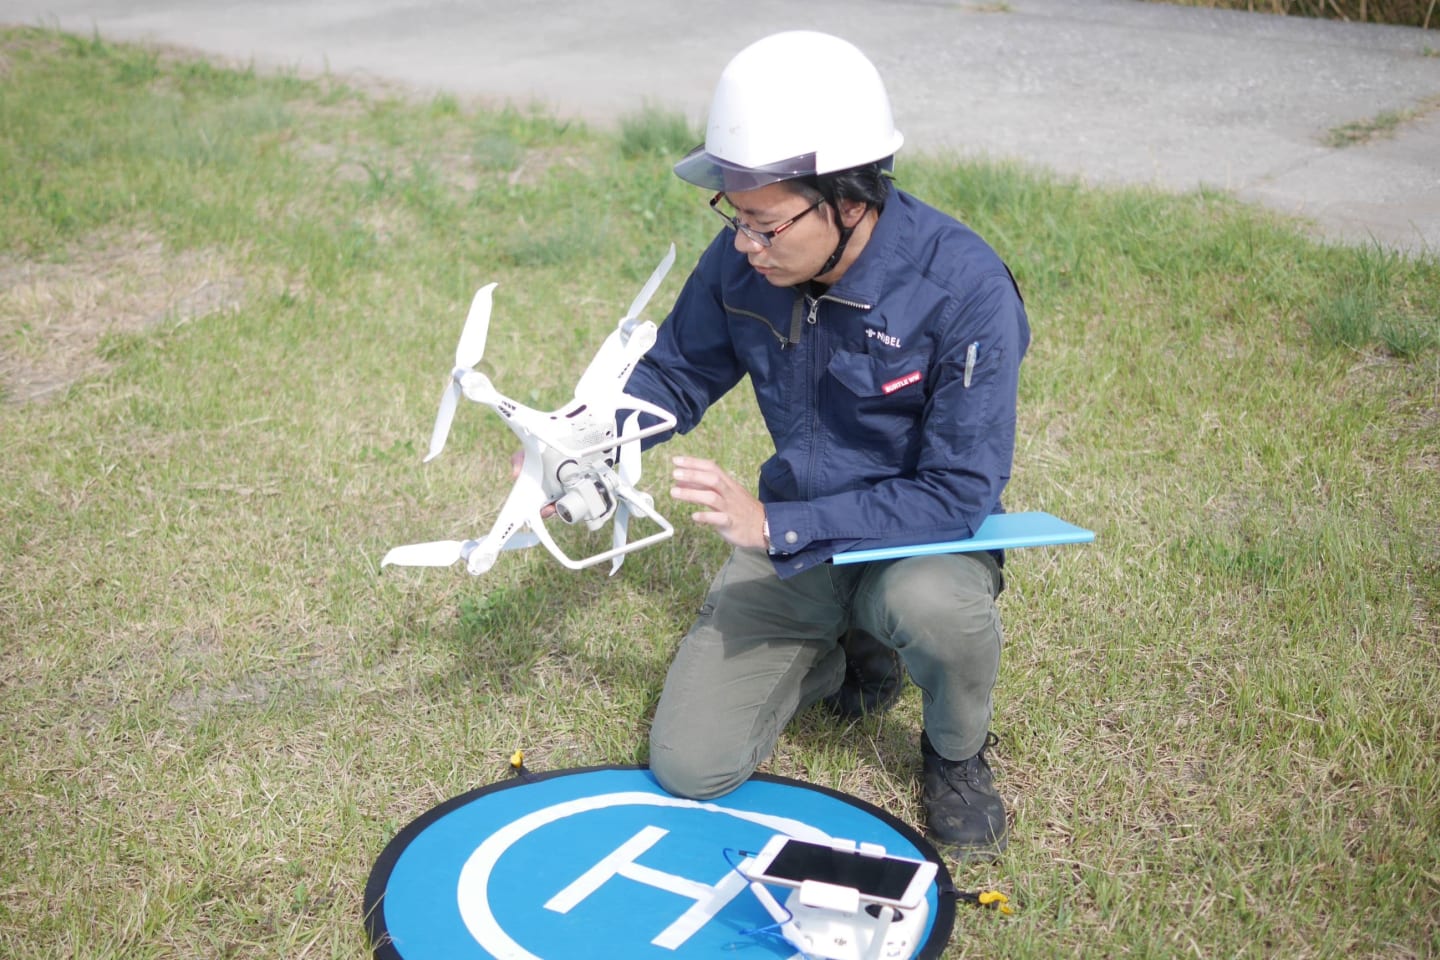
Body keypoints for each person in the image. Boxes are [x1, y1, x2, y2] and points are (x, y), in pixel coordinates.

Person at [621, 30, 1030, 859]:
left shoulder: (964, 289)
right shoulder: (746, 261)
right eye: (735, 217)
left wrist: (774, 527)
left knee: (937, 610)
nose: (746, 245)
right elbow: (674, 374)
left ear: (849, 201)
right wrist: (585, 442)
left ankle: (955, 755)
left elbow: (959, 492)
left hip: (919, 540)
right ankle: (844, 655)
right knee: (689, 766)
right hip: (797, 538)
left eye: (767, 225)